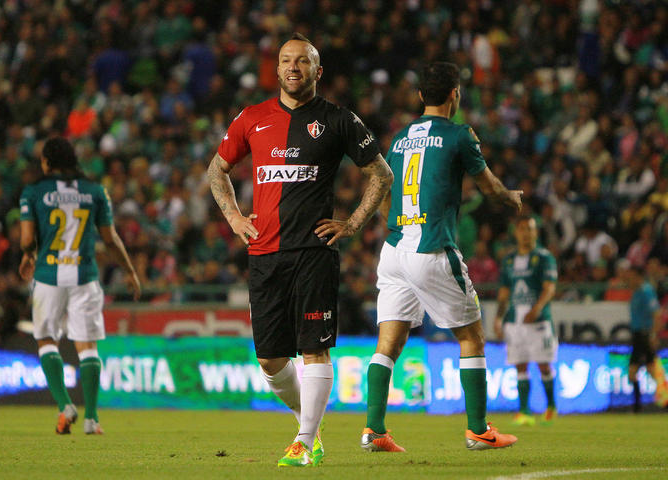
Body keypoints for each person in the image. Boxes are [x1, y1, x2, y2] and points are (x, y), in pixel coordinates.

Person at [208, 33, 392, 467]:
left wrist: (351, 223)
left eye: (303, 61)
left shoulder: (337, 119)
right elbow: (217, 170)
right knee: (270, 360)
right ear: (276, 69)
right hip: (264, 252)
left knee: (314, 348)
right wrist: (234, 218)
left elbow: (381, 174)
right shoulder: (252, 117)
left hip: (314, 251)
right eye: (286, 60)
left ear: (317, 71)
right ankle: (307, 426)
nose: (294, 67)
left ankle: (304, 442)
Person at [362, 62, 521, 452]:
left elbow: (382, 192)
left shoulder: (400, 137)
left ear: (420, 96)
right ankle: (478, 430)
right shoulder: (458, 134)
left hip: (394, 249)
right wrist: (510, 197)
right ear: (455, 94)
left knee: (388, 342)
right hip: (431, 247)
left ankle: (374, 431)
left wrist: (400, 224)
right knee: (471, 336)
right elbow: (489, 188)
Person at [19, 137, 141, 435]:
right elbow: (110, 238)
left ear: (47, 162)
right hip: (84, 276)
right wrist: (129, 271)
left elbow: (26, 239)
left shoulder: (33, 192)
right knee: (87, 347)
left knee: (47, 340)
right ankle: (92, 419)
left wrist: (28, 253)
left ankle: (65, 406)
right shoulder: (94, 191)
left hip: (48, 276)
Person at [493, 216, 558, 426]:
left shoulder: (544, 257)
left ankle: (551, 406)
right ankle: (524, 411)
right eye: (521, 229)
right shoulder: (508, 260)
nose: (526, 233)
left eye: (529, 229)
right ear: (516, 233)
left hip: (538, 321)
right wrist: (499, 318)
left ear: (535, 232)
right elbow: (504, 292)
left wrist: (536, 309)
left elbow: (549, 288)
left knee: (543, 364)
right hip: (515, 320)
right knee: (519, 364)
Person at [625, 265, 668, 411]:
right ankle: (639, 407)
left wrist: (654, 335)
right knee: (648, 370)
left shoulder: (646, 291)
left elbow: (656, 314)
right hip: (638, 335)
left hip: (645, 335)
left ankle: (638, 407)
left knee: (641, 370)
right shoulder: (636, 292)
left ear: (638, 276)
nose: (628, 279)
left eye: (631, 276)